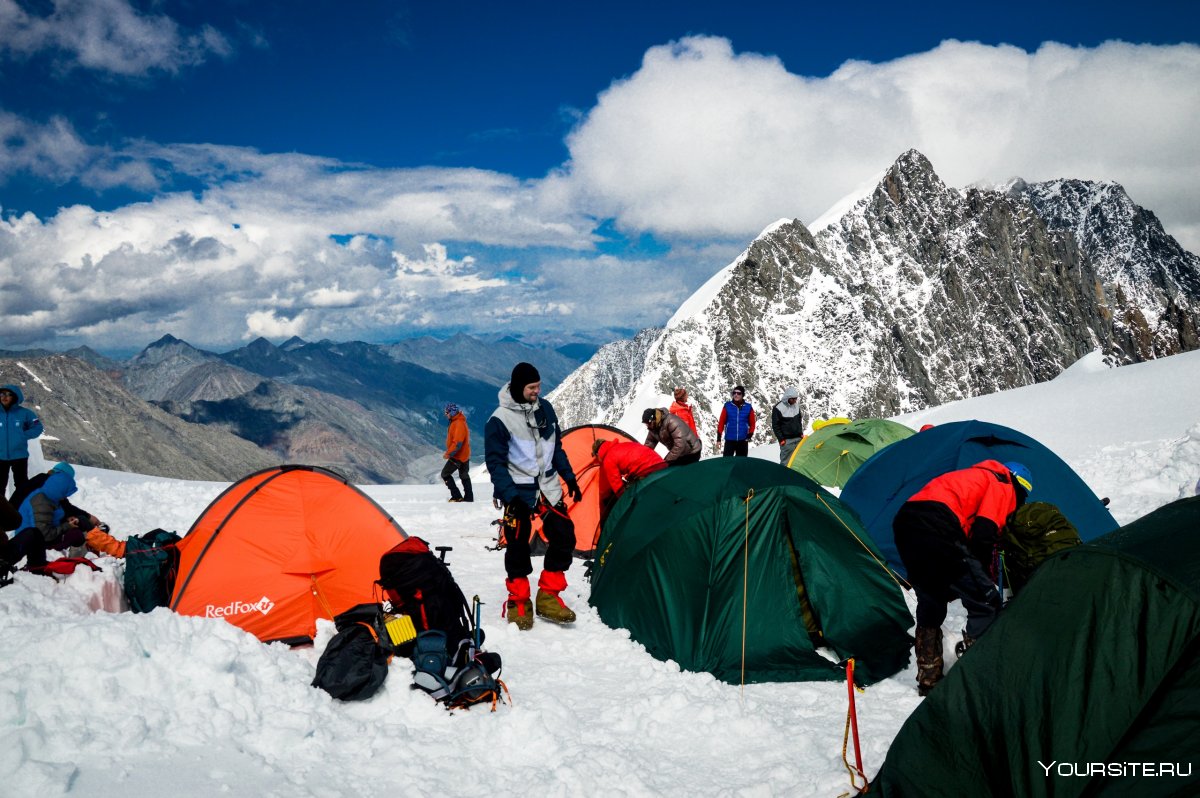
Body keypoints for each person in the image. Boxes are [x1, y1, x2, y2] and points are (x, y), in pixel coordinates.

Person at [892, 460, 1032, 696]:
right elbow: (983, 533)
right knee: (986, 602)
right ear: (1020, 487)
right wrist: (982, 579)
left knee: (932, 600)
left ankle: (929, 678)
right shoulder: (1003, 482)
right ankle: (976, 679)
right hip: (938, 524)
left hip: (906, 524)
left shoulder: (970, 476)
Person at [484, 362, 581, 630]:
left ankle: (548, 596)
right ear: (518, 387)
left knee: (564, 535)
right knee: (517, 544)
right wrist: (510, 495)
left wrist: (569, 476)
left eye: (538, 386)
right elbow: (495, 463)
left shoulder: (545, 409)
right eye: (531, 387)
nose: (537, 391)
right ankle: (519, 600)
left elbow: (555, 447)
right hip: (518, 491)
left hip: (548, 488)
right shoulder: (499, 420)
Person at [3, 467, 89, 571]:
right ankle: (77, 566)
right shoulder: (42, 503)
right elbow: (44, 534)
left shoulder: (47, 495)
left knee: (79, 526)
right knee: (76, 535)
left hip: (34, 536)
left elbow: (48, 519)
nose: (65, 497)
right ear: (59, 490)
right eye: (65, 493)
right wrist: (67, 526)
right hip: (35, 544)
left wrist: (66, 521)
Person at [592, 438, 667, 507]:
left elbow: (618, 486)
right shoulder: (623, 444)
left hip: (647, 472)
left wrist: (625, 502)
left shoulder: (607, 459)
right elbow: (633, 459)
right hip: (660, 464)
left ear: (598, 454)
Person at [1, 384, 44, 500]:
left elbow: (38, 427)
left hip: (19, 456)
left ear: (14, 397)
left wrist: (23, 436)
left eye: (9, 395)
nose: (5, 397)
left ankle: (20, 511)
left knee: (22, 486)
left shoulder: (25, 413)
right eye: (2, 394)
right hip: (0, 457)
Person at [440, 403, 473, 503]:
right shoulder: (458, 421)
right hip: (464, 454)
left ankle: (456, 496)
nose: (446, 414)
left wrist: (448, 454)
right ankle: (469, 498)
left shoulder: (458, 423)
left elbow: (458, 443)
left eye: (447, 412)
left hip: (458, 455)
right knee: (464, 475)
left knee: (445, 474)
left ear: (452, 412)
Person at [716, 386, 755, 457]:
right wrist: (718, 439)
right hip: (730, 440)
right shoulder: (727, 406)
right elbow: (721, 423)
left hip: (743, 440)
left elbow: (752, 423)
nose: (736, 395)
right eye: (734, 393)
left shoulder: (748, 407)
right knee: (727, 462)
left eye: (738, 393)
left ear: (742, 395)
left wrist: (750, 434)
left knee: (741, 464)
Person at [770, 386, 805, 465]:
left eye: (796, 398)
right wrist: (781, 439)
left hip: (798, 438)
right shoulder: (778, 408)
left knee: (798, 461)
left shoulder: (796, 406)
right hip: (787, 441)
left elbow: (799, 420)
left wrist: (801, 433)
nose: (795, 400)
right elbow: (775, 425)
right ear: (787, 397)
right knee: (785, 462)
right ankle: (783, 476)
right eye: (793, 399)